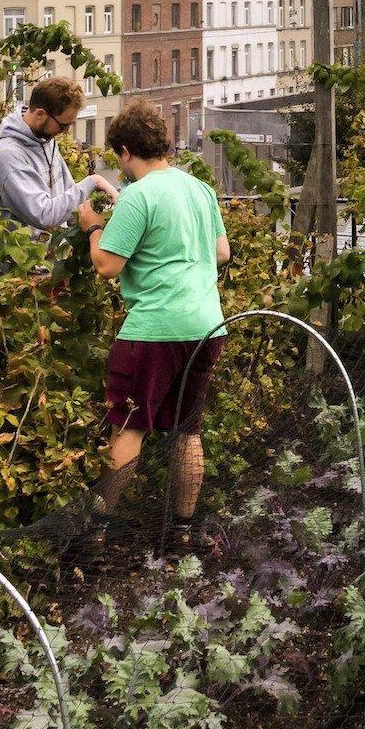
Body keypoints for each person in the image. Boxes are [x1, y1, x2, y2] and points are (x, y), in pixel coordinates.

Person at [75, 100, 229, 543]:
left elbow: (107, 265)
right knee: (188, 431)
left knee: (129, 427)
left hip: (155, 329)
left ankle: (95, 533)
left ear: (125, 152)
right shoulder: (200, 189)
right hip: (206, 326)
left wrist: (93, 226)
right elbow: (222, 253)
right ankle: (183, 530)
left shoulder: (138, 195)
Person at [0, 77, 114, 237]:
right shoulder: (9, 155)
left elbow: (68, 193)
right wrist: (93, 182)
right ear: (40, 114)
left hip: (52, 249)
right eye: (63, 125)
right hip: (24, 252)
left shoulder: (45, 139)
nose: (66, 132)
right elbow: (44, 215)